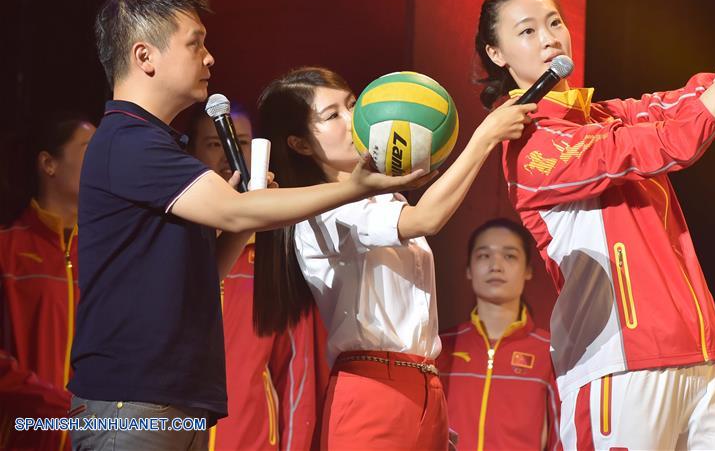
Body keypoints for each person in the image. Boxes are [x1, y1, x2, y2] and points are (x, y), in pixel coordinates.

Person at [68, 0, 427, 450]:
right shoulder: (129, 142)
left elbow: (205, 269)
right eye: (195, 44)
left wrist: (242, 222)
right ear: (144, 57)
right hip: (132, 403)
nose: (210, 57)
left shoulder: (155, 145)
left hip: (172, 402)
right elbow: (236, 212)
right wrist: (353, 187)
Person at [473, 0, 715, 449]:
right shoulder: (528, 144)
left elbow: (702, 99)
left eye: (554, 22)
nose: (549, 37)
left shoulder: (605, 114)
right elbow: (676, 140)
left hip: (703, 355)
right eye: (528, 30)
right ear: (496, 55)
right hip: (618, 365)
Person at [252, 67, 535, 449]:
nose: (355, 120)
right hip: (370, 389)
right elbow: (428, 218)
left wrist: (429, 407)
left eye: (353, 105)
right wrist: (484, 137)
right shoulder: (323, 212)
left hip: (424, 387)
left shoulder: (387, 199)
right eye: (333, 115)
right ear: (301, 144)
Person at [185, 105, 329, 450]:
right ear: (191, 151)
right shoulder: (175, 245)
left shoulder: (272, 255)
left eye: (242, 142)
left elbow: (296, 374)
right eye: (214, 143)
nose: (229, 153)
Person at [0, 113, 95, 450]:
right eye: (89, 149)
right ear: (48, 164)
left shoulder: (108, 256)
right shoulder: (7, 250)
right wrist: (60, 406)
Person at [437, 218, 560, 451]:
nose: (496, 265)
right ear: (468, 269)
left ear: (528, 271)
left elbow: (561, 439)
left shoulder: (551, 352)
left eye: (510, 255)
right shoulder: (439, 348)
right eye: (484, 255)